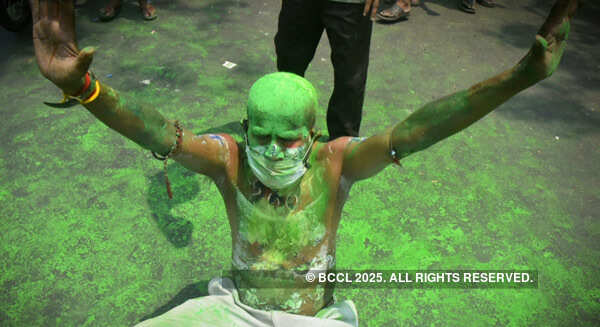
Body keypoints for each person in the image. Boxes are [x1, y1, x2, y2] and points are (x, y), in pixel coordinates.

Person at [29, 0, 577, 325]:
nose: (271, 150)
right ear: (244, 130)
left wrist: (519, 76)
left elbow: (419, 129)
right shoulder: (229, 160)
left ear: (313, 135)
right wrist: (88, 90)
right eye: (260, 134)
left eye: (289, 139)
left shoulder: (337, 162)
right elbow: (158, 131)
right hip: (238, 309)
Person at [275, 0, 381, 140]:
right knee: (288, 68)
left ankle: (341, 147)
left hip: (351, 4)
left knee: (350, 78)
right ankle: (285, 136)